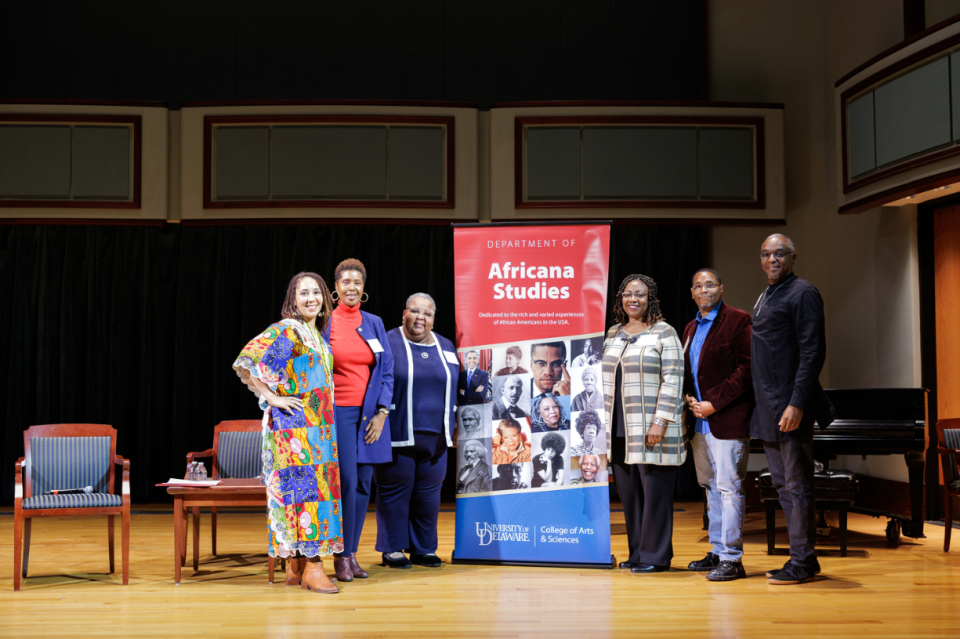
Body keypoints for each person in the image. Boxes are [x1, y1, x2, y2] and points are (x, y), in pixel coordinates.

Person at [232, 271, 341, 594]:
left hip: (317, 429)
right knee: (310, 496)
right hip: (295, 429)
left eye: (317, 293)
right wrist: (272, 397)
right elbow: (247, 360)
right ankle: (314, 566)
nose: (312, 298)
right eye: (304, 293)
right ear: (292, 300)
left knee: (310, 495)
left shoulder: (314, 334)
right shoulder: (288, 331)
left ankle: (295, 564)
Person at [751, 234, 834, 585]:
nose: (772, 260)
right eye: (766, 254)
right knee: (784, 487)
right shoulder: (767, 294)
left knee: (798, 487)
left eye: (779, 254)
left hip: (789, 406)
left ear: (793, 257)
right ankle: (802, 558)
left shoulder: (803, 293)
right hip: (768, 407)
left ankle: (803, 561)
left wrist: (797, 403)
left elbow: (812, 352)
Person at [602, 273, 685, 574]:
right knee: (630, 495)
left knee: (655, 495)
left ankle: (656, 556)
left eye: (640, 294)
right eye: (627, 294)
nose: (633, 299)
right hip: (619, 429)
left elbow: (674, 379)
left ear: (651, 299)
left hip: (651, 428)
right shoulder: (613, 333)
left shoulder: (664, 332)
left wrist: (661, 420)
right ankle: (637, 552)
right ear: (620, 299)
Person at [322, 258, 394, 583]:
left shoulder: (374, 323)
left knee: (365, 484)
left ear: (363, 289)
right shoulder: (325, 323)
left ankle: (350, 554)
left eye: (357, 282)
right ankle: (340, 555)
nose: (352, 287)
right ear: (335, 288)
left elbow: (387, 371)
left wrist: (382, 412)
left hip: (371, 415)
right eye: (345, 282)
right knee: (347, 482)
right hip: (338, 412)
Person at [682, 268, 754, 583]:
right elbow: (690, 372)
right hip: (699, 423)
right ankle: (716, 550)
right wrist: (689, 399)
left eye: (710, 284)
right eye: (698, 286)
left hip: (726, 418)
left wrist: (714, 402)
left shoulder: (738, 321)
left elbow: (747, 370)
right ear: (692, 292)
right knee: (711, 489)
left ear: (721, 288)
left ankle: (732, 559)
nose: (704, 290)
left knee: (729, 489)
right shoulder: (689, 328)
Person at [378, 293, 459, 569]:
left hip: (437, 437)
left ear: (433, 319)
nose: (420, 318)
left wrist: (456, 423)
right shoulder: (388, 342)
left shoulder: (446, 346)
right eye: (414, 311)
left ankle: (423, 548)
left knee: (428, 497)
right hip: (397, 434)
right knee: (395, 494)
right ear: (404, 314)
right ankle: (392, 548)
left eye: (427, 313)